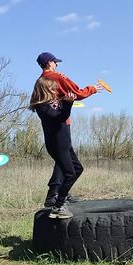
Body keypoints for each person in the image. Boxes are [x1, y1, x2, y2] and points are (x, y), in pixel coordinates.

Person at [36, 52, 103, 207]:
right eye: (55, 62)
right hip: (60, 126)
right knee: (70, 168)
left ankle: (55, 194)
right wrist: (92, 89)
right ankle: (57, 200)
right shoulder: (57, 77)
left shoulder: (39, 82)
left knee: (63, 161)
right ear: (50, 63)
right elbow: (77, 92)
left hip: (53, 125)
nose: (57, 64)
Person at [29, 77, 79, 219]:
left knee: (78, 169)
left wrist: (68, 100)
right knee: (70, 174)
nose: (55, 90)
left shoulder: (55, 102)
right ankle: (58, 206)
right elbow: (58, 117)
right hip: (57, 145)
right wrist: (68, 104)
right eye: (52, 88)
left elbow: (63, 113)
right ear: (45, 89)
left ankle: (59, 202)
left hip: (65, 143)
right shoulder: (42, 107)